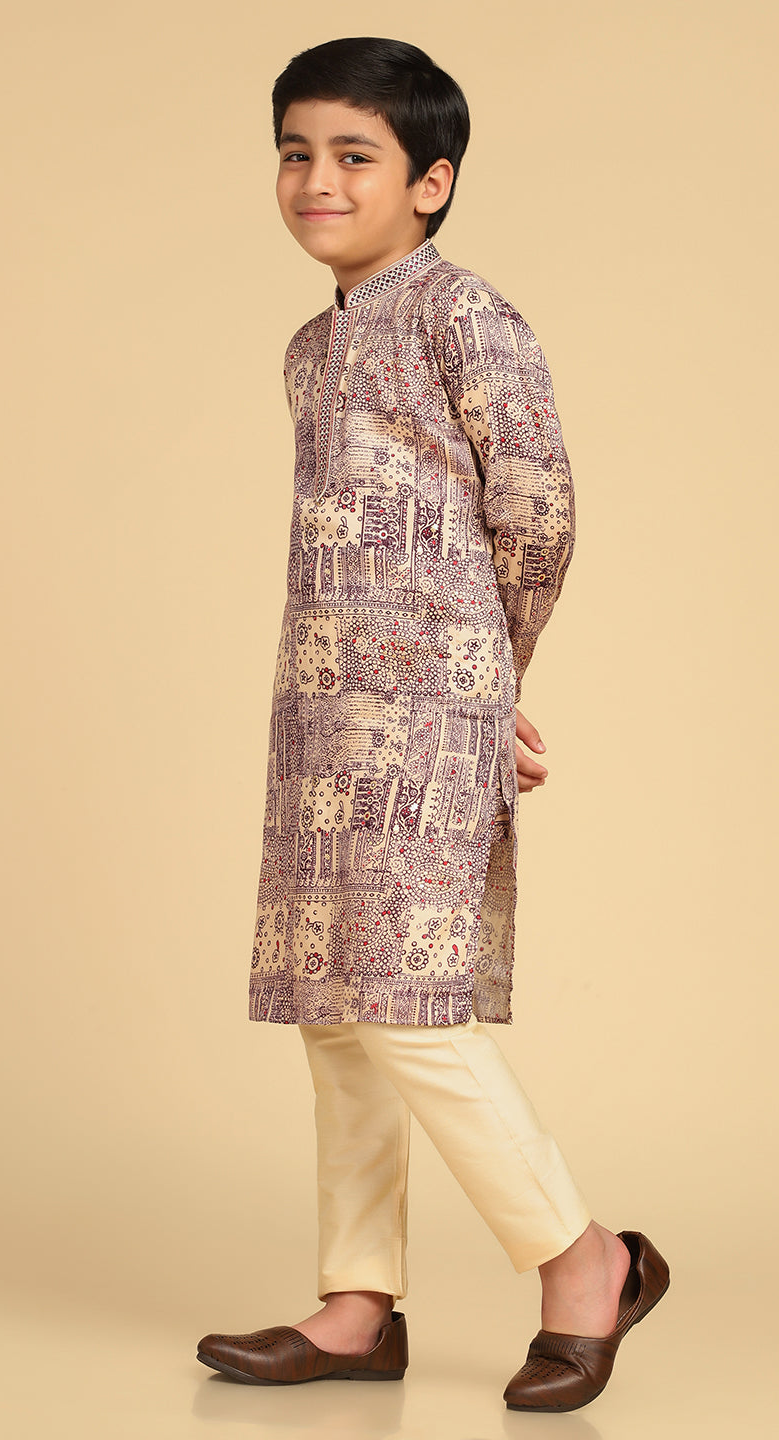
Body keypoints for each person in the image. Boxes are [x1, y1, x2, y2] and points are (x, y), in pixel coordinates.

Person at [196, 37, 669, 1413]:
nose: (317, 179)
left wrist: (483, 680)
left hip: (426, 710)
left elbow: (540, 510)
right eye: (296, 153)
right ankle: (357, 1304)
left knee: (410, 1007)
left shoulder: (466, 316)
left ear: (431, 181)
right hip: (321, 714)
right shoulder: (311, 348)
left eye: (355, 155)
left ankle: (584, 1260)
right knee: (336, 1012)